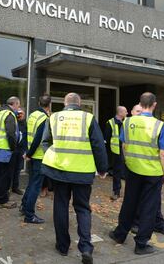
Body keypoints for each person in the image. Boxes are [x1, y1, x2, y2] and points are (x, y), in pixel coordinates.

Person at [41, 93, 108, 264]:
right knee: (83, 209)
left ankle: (62, 246)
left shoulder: (54, 117)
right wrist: (102, 169)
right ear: (79, 103)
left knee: (60, 207)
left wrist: (54, 157)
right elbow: (98, 145)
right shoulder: (88, 118)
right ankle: (85, 247)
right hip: (82, 173)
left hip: (60, 171)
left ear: (65, 103)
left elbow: (45, 142)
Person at [109, 92, 164, 255]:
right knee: (149, 208)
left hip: (133, 170)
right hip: (152, 173)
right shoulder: (159, 125)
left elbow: (123, 145)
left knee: (129, 203)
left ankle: (119, 234)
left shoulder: (128, 122)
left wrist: (128, 163)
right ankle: (141, 244)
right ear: (154, 105)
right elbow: (163, 153)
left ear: (140, 103)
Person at [128, 104, 164, 238]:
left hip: (151, 169)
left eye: (140, 110)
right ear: (132, 112)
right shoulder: (130, 125)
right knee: (139, 200)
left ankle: (158, 224)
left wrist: (163, 171)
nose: (139, 113)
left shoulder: (151, 125)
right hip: (137, 169)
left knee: (154, 201)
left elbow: (161, 151)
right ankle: (137, 225)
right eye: (136, 111)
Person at [20, 94, 52, 224]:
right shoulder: (44, 118)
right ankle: (29, 215)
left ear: (39, 102)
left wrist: (27, 152)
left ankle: (24, 206)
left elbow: (26, 134)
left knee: (31, 182)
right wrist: (30, 153)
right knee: (35, 186)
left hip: (32, 154)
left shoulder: (32, 115)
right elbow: (39, 139)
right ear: (49, 105)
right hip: (39, 156)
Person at [0, 96, 20, 209]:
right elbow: (11, 134)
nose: (18, 108)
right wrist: (13, 147)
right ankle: (3, 200)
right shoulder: (9, 115)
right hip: (6, 149)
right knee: (6, 176)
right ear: (14, 104)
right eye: (18, 105)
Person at [104, 106, 127, 200]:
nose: (127, 113)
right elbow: (106, 138)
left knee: (127, 172)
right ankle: (116, 191)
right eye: (125, 111)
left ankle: (129, 192)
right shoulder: (110, 122)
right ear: (120, 113)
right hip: (116, 151)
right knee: (117, 172)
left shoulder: (127, 122)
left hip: (127, 150)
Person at [11, 107, 27, 195]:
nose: (19, 115)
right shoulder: (13, 122)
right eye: (18, 113)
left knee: (18, 170)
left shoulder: (24, 124)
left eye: (21, 113)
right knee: (10, 170)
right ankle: (8, 188)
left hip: (21, 150)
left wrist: (25, 150)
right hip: (13, 149)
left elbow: (26, 136)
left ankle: (15, 187)